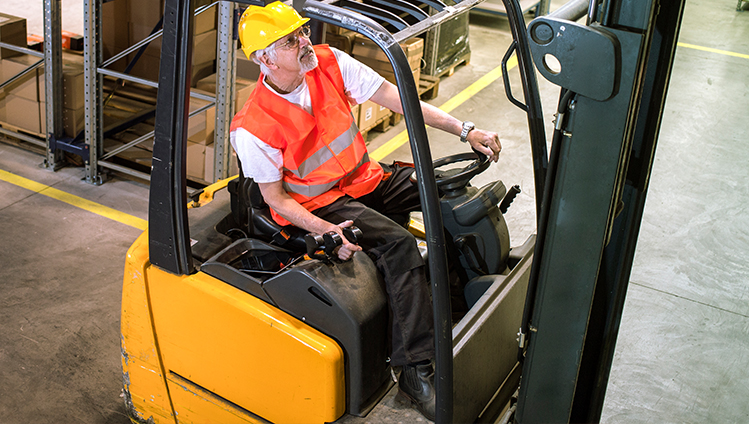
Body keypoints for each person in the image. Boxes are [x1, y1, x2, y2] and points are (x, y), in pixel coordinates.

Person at [229, 2, 501, 420]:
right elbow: (277, 199)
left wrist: (466, 130)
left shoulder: (327, 61)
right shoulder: (252, 126)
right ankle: (413, 368)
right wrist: (326, 230)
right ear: (264, 59)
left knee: (444, 196)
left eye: (301, 32)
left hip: (366, 179)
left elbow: (397, 98)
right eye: (290, 40)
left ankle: (456, 298)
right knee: (397, 243)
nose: (304, 41)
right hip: (323, 203)